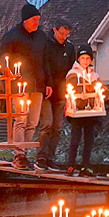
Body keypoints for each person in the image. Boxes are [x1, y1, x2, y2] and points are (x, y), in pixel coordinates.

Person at [0, 3, 45, 170]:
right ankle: (19, 154)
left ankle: (25, 152)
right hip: (19, 85)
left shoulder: (41, 37)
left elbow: (45, 60)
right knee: (21, 119)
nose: (37, 23)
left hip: (38, 84)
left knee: (33, 121)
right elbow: (2, 57)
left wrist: (48, 84)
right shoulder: (12, 36)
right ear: (26, 20)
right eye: (34, 20)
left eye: (38, 20)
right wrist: (7, 69)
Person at [38, 17, 75, 171]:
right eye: (61, 34)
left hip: (61, 92)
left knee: (57, 127)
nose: (63, 37)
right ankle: (41, 156)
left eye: (66, 35)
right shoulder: (46, 45)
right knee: (47, 124)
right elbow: (43, 65)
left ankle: (50, 157)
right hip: (47, 90)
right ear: (55, 30)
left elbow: (72, 69)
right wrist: (47, 83)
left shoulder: (69, 48)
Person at [64, 45, 104, 176]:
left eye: (88, 58)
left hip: (91, 112)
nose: (85, 61)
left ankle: (86, 165)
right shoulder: (73, 74)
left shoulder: (94, 75)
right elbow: (74, 87)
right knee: (75, 139)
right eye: (83, 58)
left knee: (89, 140)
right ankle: (71, 164)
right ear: (78, 59)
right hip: (77, 111)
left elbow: (98, 90)